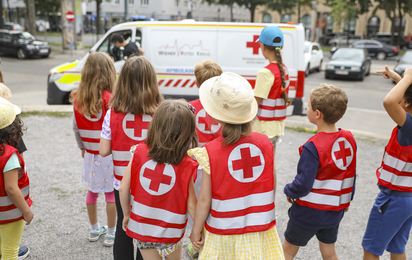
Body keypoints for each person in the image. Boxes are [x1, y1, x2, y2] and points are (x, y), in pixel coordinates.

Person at [190, 72, 285, 260]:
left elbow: (204, 200)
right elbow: (272, 184)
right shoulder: (266, 143)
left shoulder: (211, 151)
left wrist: (196, 230)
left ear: (216, 116)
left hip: (222, 232)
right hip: (260, 230)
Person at [282, 84, 356, 260]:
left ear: (317, 115)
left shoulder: (312, 147)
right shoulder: (349, 139)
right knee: (329, 253)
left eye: (308, 106)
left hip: (308, 213)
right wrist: (346, 202)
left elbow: (303, 184)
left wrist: (289, 190)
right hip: (334, 211)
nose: (307, 108)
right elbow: (350, 176)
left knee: (287, 251)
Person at [99, 55, 163, 260]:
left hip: (121, 184)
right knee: (145, 230)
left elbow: (103, 150)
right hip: (151, 183)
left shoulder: (112, 113)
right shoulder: (160, 113)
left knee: (123, 226)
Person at [119, 99, 199, 260]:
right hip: (171, 229)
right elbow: (192, 204)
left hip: (142, 226)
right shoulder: (187, 164)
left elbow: (123, 188)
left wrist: (127, 214)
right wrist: (199, 230)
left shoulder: (139, 152)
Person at [362, 66, 412, 260]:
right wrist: (398, 78)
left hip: (395, 198)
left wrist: (407, 76)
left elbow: (390, 102)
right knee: (397, 247)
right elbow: (402, 98)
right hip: (409, 198)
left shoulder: (408, 127)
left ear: (406, 105)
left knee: (371, 249)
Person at [71, 52, 117, 247]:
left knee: (92, 191)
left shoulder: (77, 97)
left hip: (90, 153)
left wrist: (82, 146)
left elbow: (75, 126)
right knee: (110, 194)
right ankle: (112, 233)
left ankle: (94, 228)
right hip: (108, 154)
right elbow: (113, 127)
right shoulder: (109, 99)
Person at [187, 59, 223, 259]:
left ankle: (197, 242)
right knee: (214, 203)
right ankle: (212, 241)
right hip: (218, 165)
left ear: (197, 83)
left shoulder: (190, 108)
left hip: (195, 166)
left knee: (196, 204)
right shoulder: (224, 108)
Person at [254, 25, 291, 191]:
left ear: (262, 47)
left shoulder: (265, 72)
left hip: (262, 128)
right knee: (270, 165)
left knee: (257, 167)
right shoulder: (284, 70)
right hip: (276, 127)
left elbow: (256, 103)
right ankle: (270, 202)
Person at [0, 97, 34, 260]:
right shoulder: (9, 156)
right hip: (9, 214)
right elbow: (11, 189)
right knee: (10, 250)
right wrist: (26, 211)